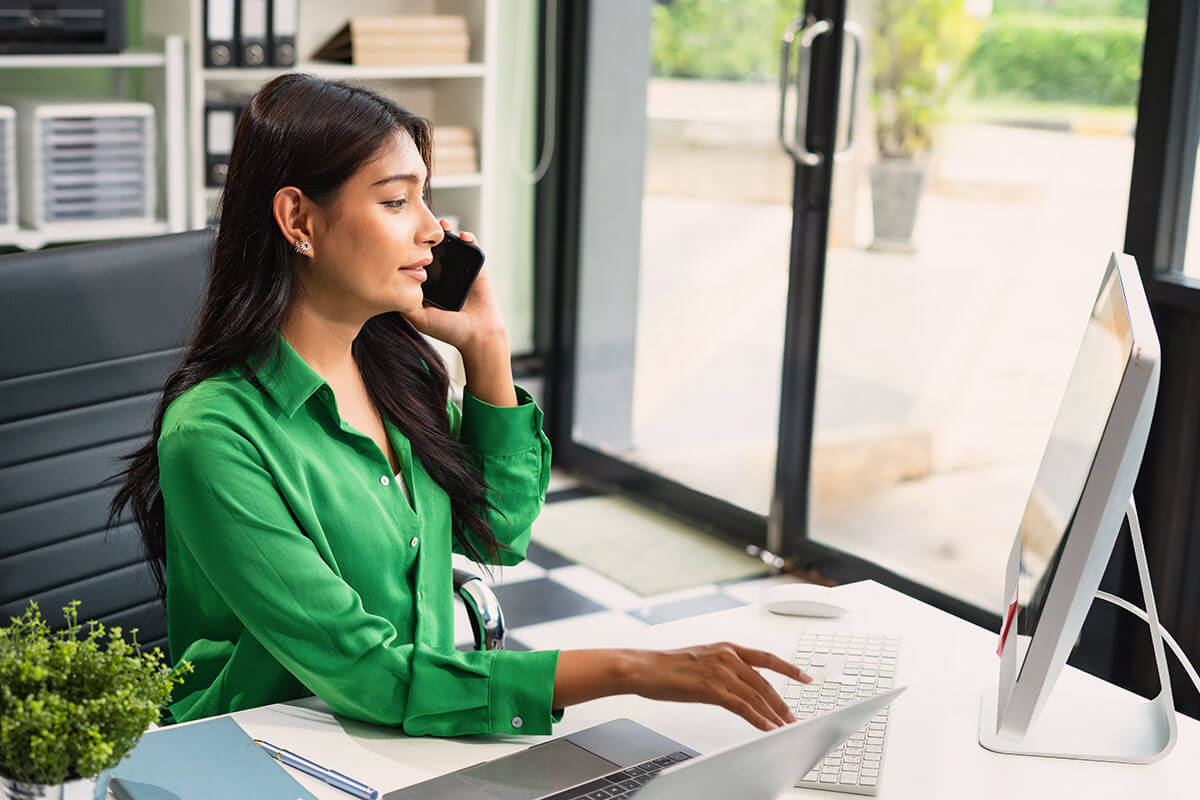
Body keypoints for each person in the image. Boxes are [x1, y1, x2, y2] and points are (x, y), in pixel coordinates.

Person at [111, 73, 808, 737]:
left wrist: (486, 347)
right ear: (299, 219)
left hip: (414, 732)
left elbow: (499, 531)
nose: (433, 230)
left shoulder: (393, 375)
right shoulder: (215, 434)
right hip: (272, 757)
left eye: (424, 197)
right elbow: (367, 673)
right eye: (394, 201)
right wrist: (628, 667)